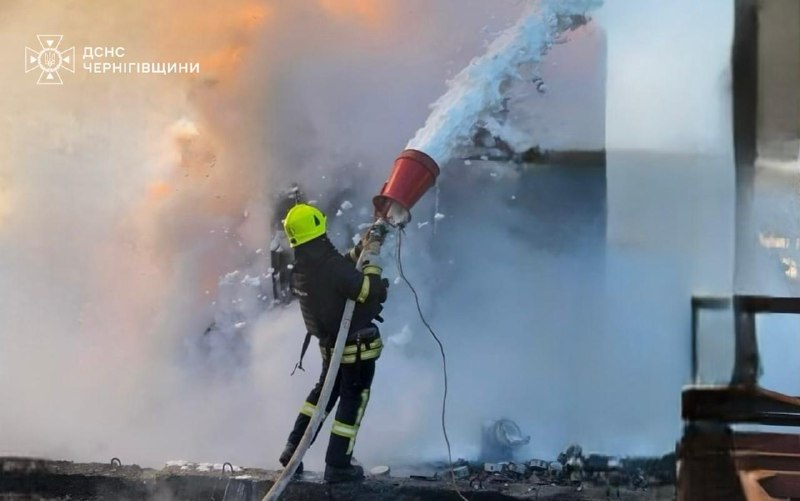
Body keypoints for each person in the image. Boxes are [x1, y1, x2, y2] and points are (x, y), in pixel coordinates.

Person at [278, 203, 389, 483]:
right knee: (352, 401)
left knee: (322, 397)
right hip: (355, 351)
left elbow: (340, 268)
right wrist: (373, 260)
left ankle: (293, 449)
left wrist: (362, 247)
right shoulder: (328, 267)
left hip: (333, 348)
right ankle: (338, 465)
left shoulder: (305, 267)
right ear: (318, 226)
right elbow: (366, 291)